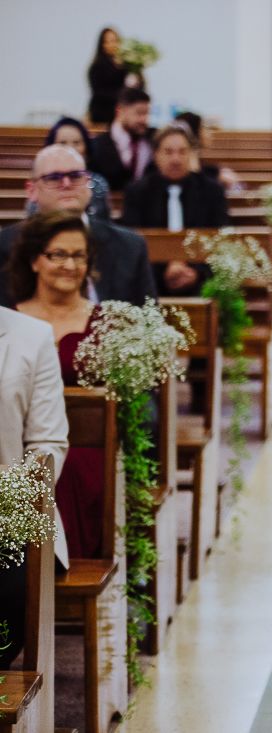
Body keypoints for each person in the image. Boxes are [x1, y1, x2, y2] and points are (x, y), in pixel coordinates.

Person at [8, 211, 106, 559]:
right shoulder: (10, 323)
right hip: (19, 447)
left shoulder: (107, 323)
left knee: (72, 471)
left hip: (88, 449)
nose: (70, 265)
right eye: (58, 254)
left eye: (79, 256)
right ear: (35, 260)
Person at [0, 145, 157, 309]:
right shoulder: (6, 244)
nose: (66, 184)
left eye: (75, 176)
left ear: (88, 184)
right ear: (31, 190)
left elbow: (150, 318)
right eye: (54, 178)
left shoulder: (130, 246)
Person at [0, 304, 68, 669]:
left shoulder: (31, 336)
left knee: (10, 587)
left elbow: (48, 444)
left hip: (9, 517)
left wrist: (11, 491)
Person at [122, 124, 229, 296]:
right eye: (168, 152)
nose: (176, 159)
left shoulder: (212, 191)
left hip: (201, 282)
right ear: (156, 155)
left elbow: (220, 240)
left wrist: (196, 273)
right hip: (151, 282)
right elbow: (131, 242)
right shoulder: (138, 192)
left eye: (182, 152)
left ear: (191, 154)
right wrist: (165, 270)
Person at [34, 118, 111, 220]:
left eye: (76, 143)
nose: (70, 148)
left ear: (86, 147)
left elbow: (103, 222)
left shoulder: (97, 183)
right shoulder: (42, 181)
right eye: (62, 143)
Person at [88, 87, 154, 191]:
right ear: (120, 111)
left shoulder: (152, 140)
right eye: (139, 113)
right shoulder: (97, 146)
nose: (144, 119)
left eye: (147, 113)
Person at [174, 111, 241, 191]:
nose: (210, 133)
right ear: (194, 133)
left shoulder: (211, 171)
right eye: (204, 128)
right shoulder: (190, 167)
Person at [87, 27, 127, 124]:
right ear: (102, 45)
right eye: (108, 41)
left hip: (121, 113)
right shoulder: (97, 66)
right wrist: (122, 96)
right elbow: (99, 92)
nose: (112, 44)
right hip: (103, 114)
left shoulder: (125, 65)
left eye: (115, 41)